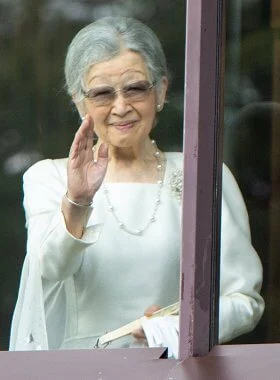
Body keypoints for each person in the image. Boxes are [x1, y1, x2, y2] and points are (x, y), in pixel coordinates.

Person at [10, 16, 264, 352]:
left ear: (161, 90)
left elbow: (244, 299)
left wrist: (178, 327)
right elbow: (53, 268)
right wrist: (78, 199)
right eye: (102, 93)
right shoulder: (50, 177)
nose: (121, 107)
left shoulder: (203, 173)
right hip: (81, 371)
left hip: (174, 366)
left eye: (135, 88)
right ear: (78, 101)